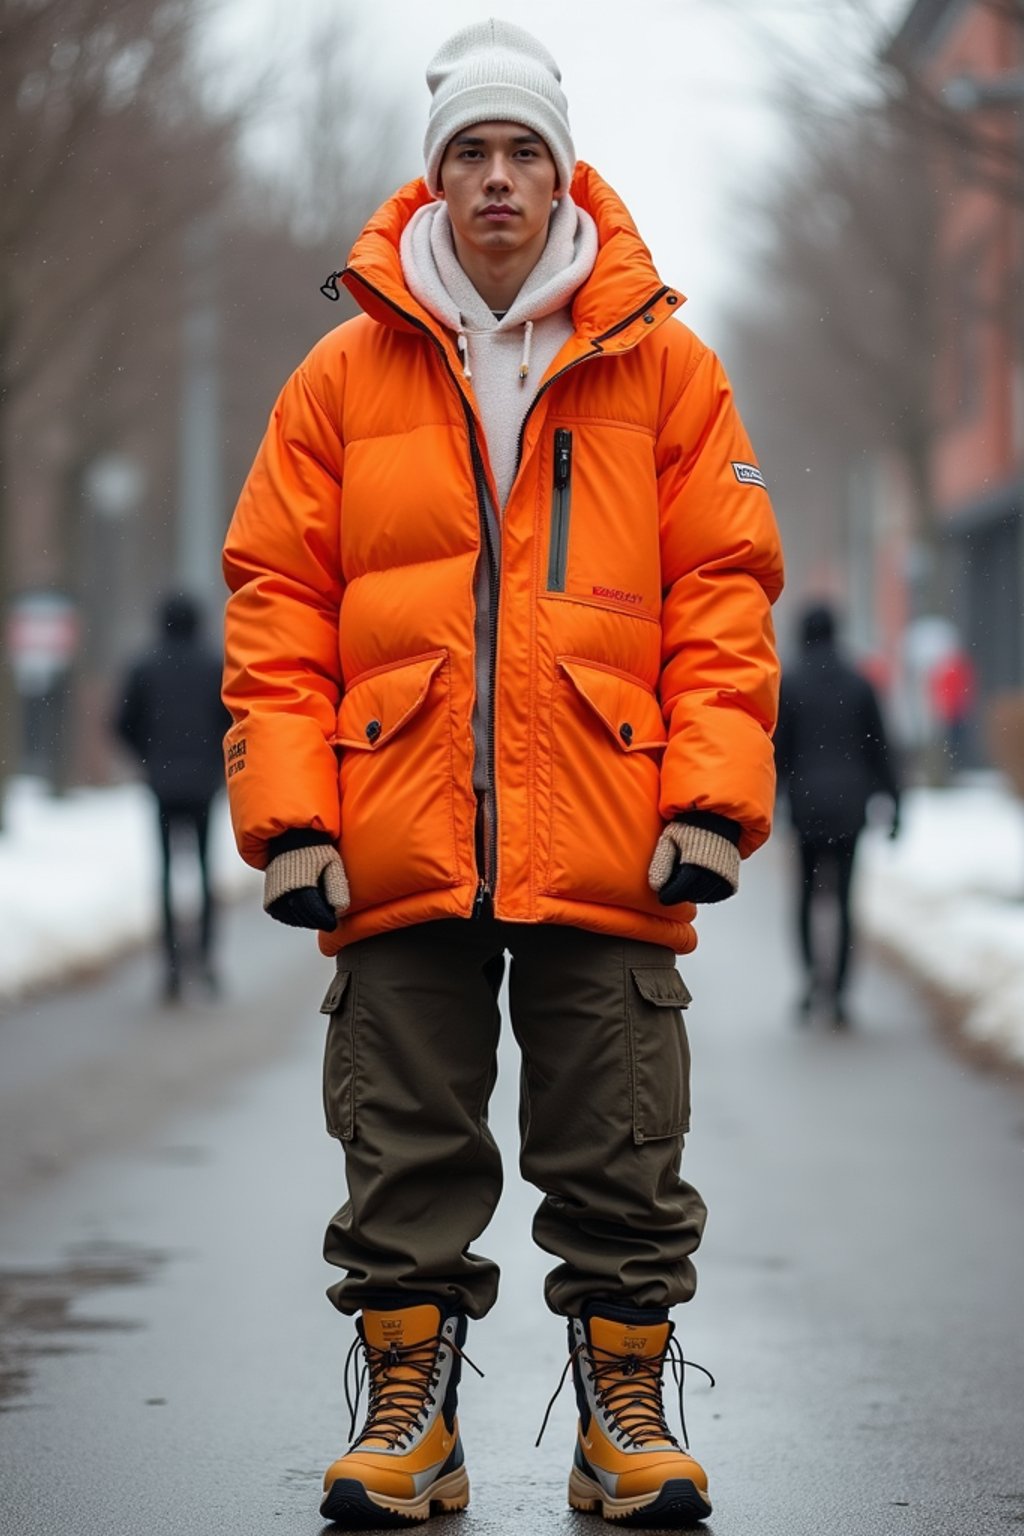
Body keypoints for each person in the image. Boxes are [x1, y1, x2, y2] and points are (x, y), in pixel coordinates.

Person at [222, 19, 783, 1529]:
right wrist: (290, 818)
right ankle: (414, 1419)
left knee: (620, 1142)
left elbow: (724, 596)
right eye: (468, 152)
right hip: (395, 825)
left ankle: (624, 1421)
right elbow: (277, 599)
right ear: (432, 180)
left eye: (521, 149)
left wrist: (711, 802)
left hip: (610, 826)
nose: (494, 179)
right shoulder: (340, 375)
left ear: (562, 171)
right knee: (400, 1147)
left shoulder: (664, 366)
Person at [774, 603, 901, 1027]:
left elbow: (779, 752)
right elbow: (881, 749)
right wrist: (895, 804)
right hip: (850, 805)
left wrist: (767, 801)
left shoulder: (790, 684)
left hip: (807, 804)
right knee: (845, 901)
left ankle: (812, 980)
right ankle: (841, 995)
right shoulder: (860, 683)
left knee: (806, 898)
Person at [116, 593, 230, 1001]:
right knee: (203, 871)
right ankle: (208, 961)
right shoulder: (214, 666)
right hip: (202, 784)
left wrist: (148, 759)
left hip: (162, 786)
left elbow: (122, 723)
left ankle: (171, 968)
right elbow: (231, 721)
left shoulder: (145, 666)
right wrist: (215, 761)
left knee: (165, 875)